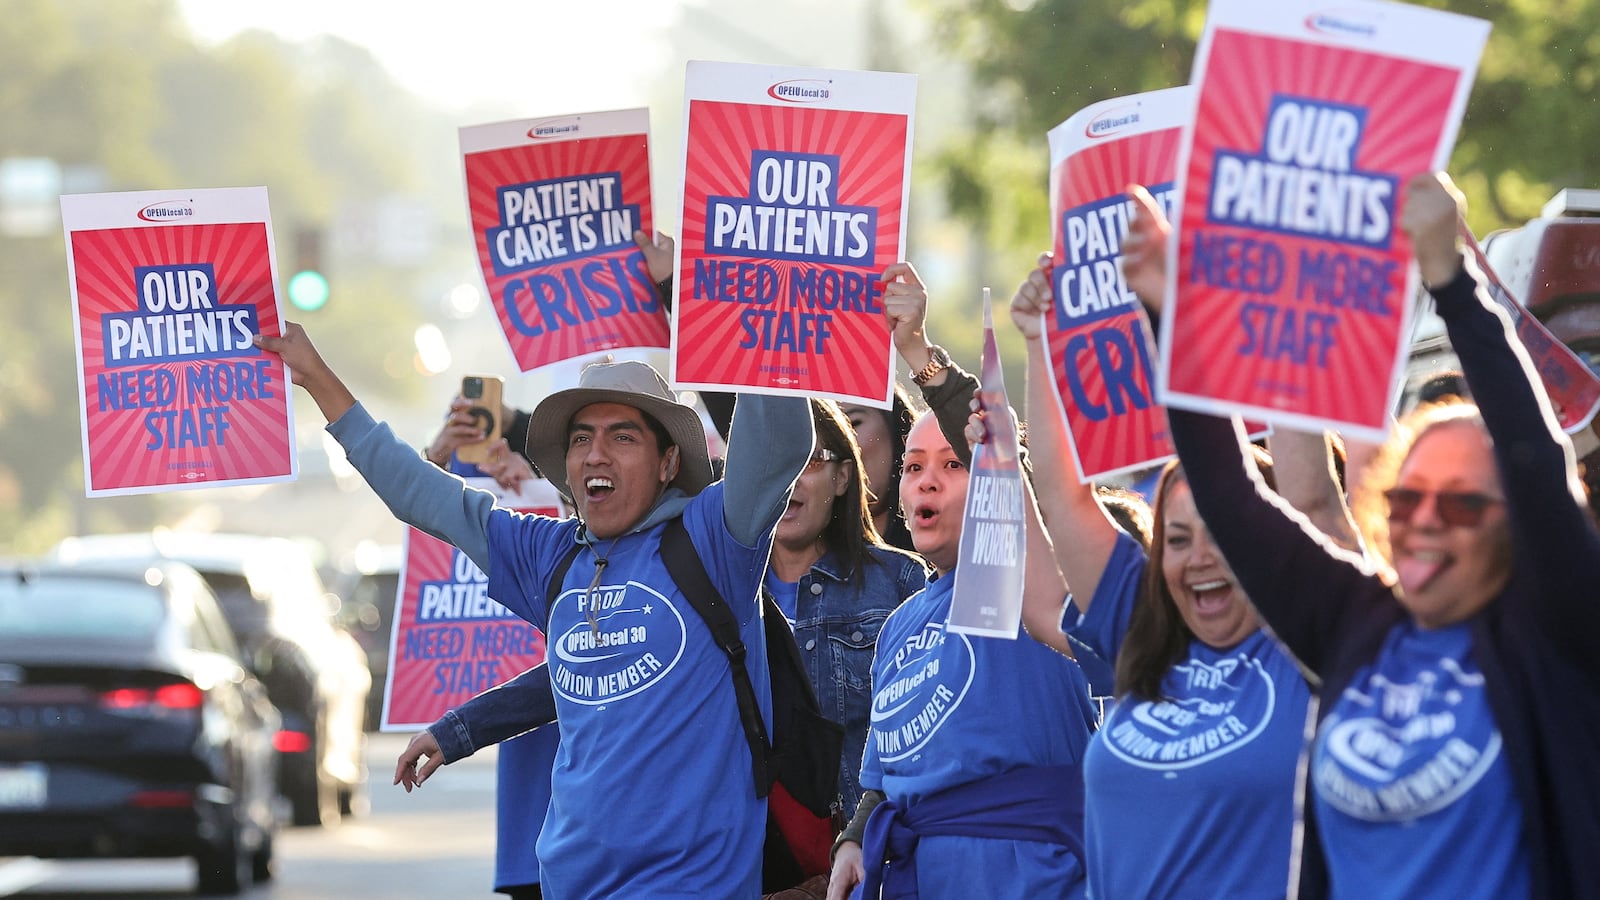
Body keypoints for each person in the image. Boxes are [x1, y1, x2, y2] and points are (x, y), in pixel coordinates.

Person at [1158, 173, 1600, 898]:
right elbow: (1230, 495)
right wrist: (1172, 316)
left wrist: (1450, 281)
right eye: (1405, 500)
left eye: (1459, 505)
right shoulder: (1359, 624)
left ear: (1513, 524)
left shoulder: (1557, 631)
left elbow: (1534, 457)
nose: (1423, 521)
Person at [256, 326, 813, 898]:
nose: (595, 454)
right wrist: (316, 378)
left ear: (669, 462)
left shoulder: (715, 538)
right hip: (567, 884)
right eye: (580, 439)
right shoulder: (551, 555)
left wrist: (754, 315)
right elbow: (419, 493)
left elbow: (778, 443)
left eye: (623, 437)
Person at [1009, 248, 1349, 899]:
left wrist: (1271, 309)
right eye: (1178, 538)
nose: (1198, 558)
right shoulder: (1142, 633)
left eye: (1225, 536)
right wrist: (1040, 340)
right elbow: (1062, 496)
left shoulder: (1315, 645)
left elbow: (1311, 501)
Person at [827, 406, 1099, 900]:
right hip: (922, 877)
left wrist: (923, 362)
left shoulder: (1028, 582)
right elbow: (886, 776)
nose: (926, 483)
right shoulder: (897, 626)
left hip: (1034, 876)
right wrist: (854, 839)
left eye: (953, 464)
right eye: (913, 467)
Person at [768, 399, 928, 818]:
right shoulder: (721, 589)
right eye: (776, 456)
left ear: (842, 477)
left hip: (869, 853)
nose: (789, 477)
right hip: (754, 868)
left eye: (809, 459)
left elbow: (928, 735)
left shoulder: (898, 581)